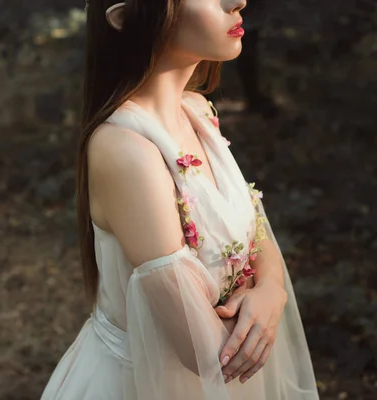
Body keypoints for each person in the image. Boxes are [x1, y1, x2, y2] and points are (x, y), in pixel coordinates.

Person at [42, 1, 319, 399]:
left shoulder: (197, 112)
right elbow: (206, 351)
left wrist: (272, 290)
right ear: (131, 15)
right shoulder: (126, 149)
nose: (237, 1)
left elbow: (255, 233)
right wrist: (264, 308)